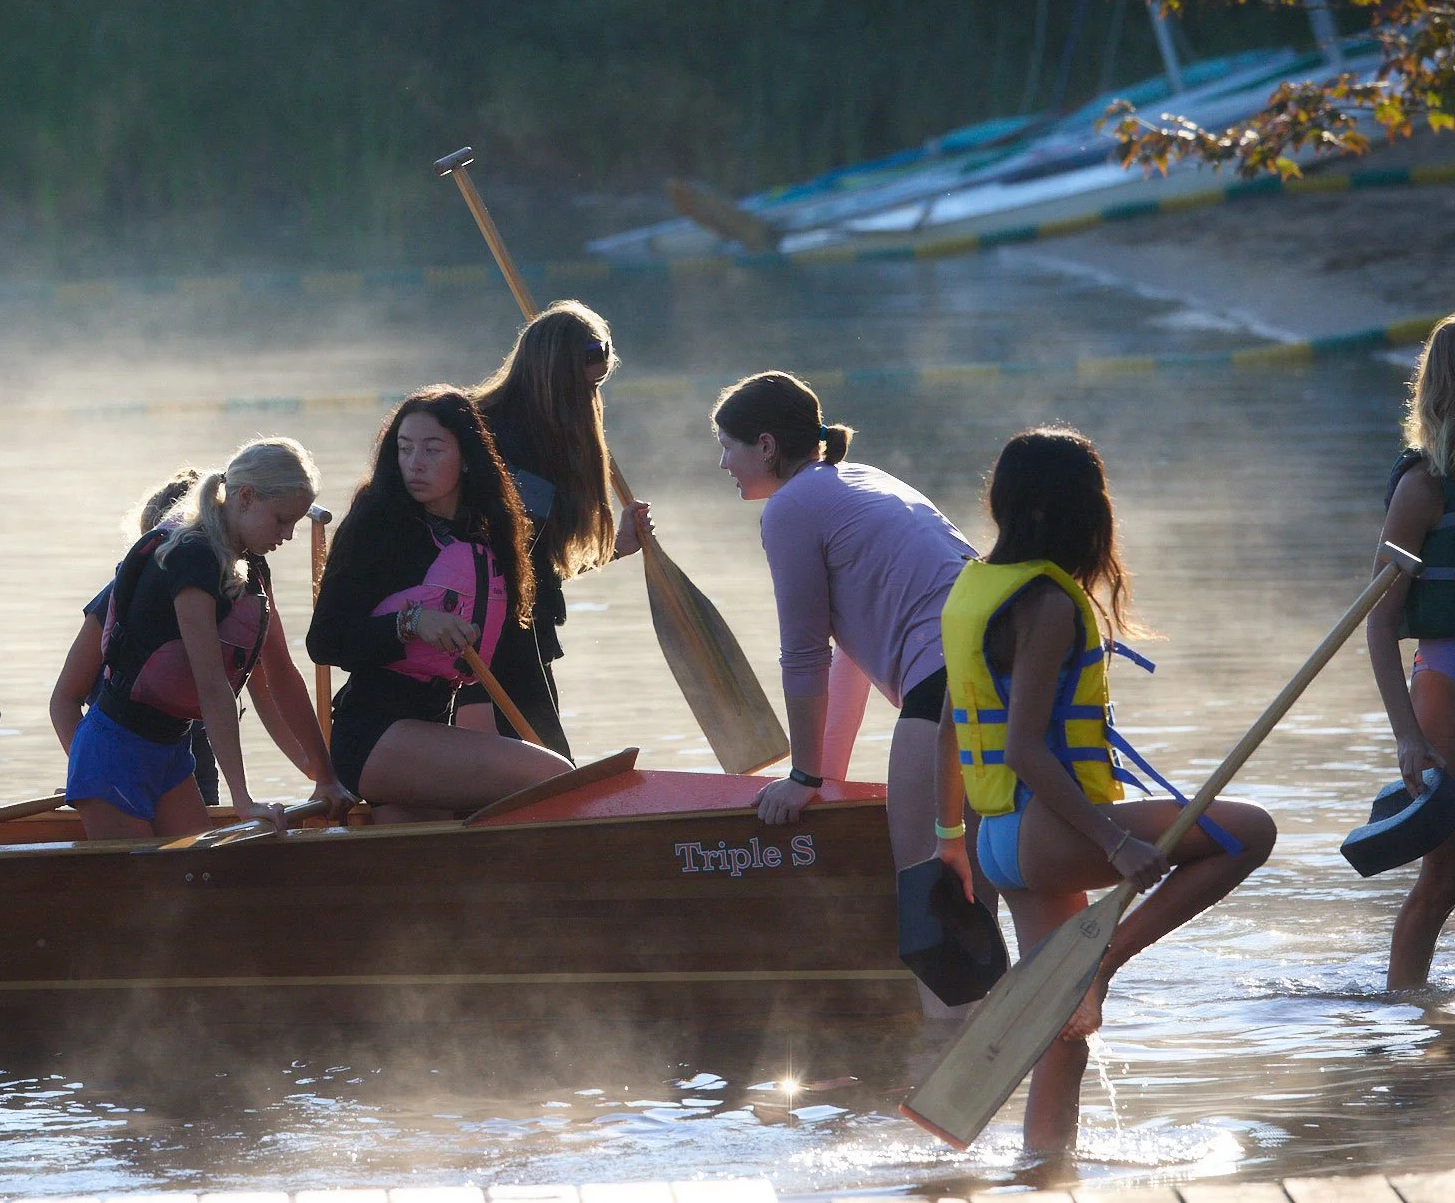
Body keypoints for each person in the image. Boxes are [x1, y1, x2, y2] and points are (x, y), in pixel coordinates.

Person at [933, 426, 1273, 1154]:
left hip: (999, 839)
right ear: (1077, 511)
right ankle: (1105, 960)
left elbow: (948, 733)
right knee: (1251, 833)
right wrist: (1113, 840)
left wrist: (950, 839)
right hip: (1047, 830)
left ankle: (1043, 1170)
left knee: (1063, 1033)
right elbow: (1024, 749)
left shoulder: (973, 587)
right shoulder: (1049, 604)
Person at [712, 371, 976, 890]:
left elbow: (805, 654)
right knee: (994, 879)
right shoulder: (861, 478)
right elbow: (848, 656)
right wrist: (821, 777)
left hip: (947, 679)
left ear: (765, 446)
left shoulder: (790, 508)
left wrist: (803, 778)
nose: (723, 463)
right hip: (1013, 666)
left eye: (727, 447)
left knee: (928, 891)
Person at [65, 438, 349, 840]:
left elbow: (282, 675)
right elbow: (212, 684)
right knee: (146, 893)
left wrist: (325, 775)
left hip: (171, 752)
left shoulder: (252, 564)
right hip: (114, 752)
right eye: (282, 520)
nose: (287, 535)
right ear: (245, 497)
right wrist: (242, 799)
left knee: (197, 885)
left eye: (295, 524)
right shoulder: (192, 556)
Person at [309, 387, 570, 820]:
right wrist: (409, 622)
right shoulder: (376, 521)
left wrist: (551, 743)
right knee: (548, 777)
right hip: (372, 735)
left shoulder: (493, 530)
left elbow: (514, 653)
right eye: (405, 449)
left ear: (466, 457)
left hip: (435, 724)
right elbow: (325, 641)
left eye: (433, 450)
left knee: (445, 824)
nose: (415, 464)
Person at [460, 301, 649, 758]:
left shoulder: (558, 441)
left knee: (550, 762)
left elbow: (538, 560)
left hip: (528, 630)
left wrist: (614, 548)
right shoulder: (476, 430)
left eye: (598, 385)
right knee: (541, 767)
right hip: (470, 638)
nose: (590, 399)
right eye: (582, 386)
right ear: (551, 376)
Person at [1369, 314, 1455, 989]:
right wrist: (1406, 737)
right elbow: (1379, 619)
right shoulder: (1423, 489)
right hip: (1447, 681)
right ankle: (1405, 1011)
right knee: (1446, 870)